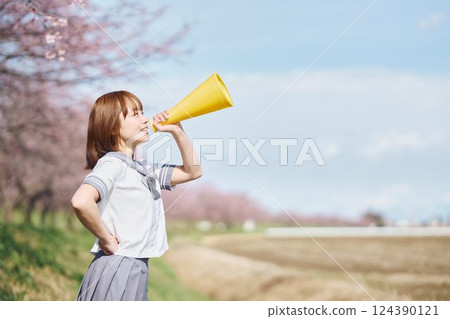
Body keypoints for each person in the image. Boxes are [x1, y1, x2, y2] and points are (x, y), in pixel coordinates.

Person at [71, 90, 201, 301]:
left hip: (135, 267)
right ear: (112, 128)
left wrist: (177, 131)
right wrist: (105, 238)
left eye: (142, 112)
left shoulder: (142, 168)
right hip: (118, 266)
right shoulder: (112, 163)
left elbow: (192, 172)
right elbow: (81, 201)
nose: (145, 119)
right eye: (135, 114)